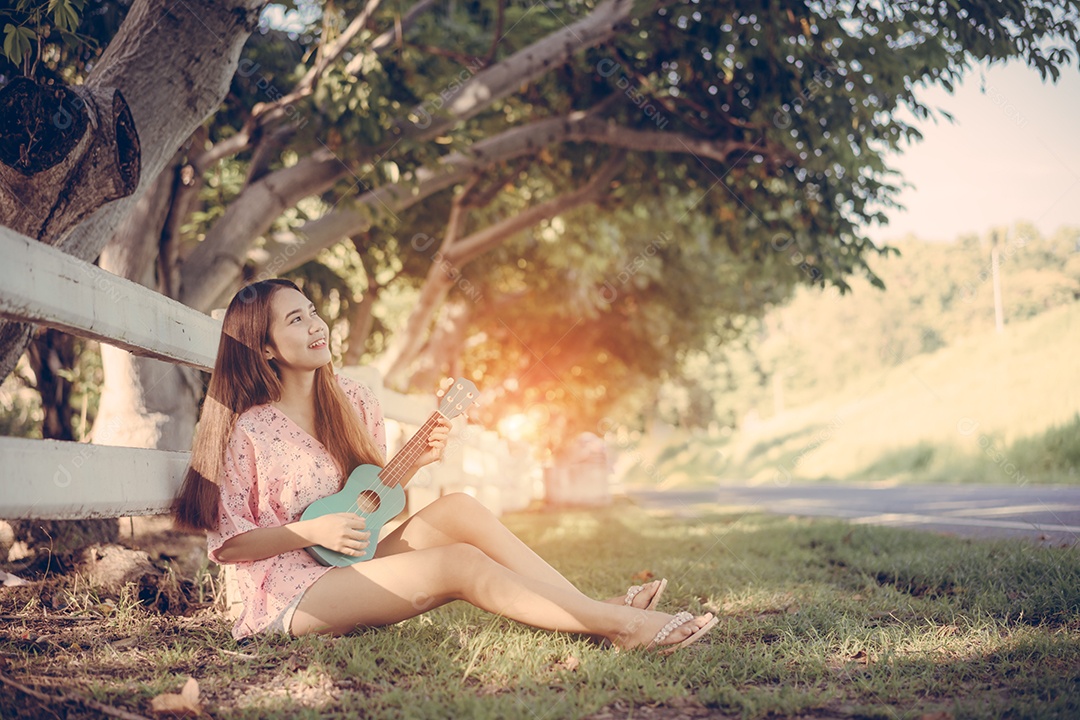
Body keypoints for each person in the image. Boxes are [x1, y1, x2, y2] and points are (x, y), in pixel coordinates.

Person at [172, 279, 716, 654]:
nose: (316, 325)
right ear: (265, 349)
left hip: (343, 570)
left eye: (313, 311)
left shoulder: (355, 400)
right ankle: (619, 623)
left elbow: (366, 504)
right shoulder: (251, 430)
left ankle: (588, 610)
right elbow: (230, 546)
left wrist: (414, 465)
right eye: (295, 319)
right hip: (287, 596)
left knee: (459, 508)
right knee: (457, 564)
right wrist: (307, 530)